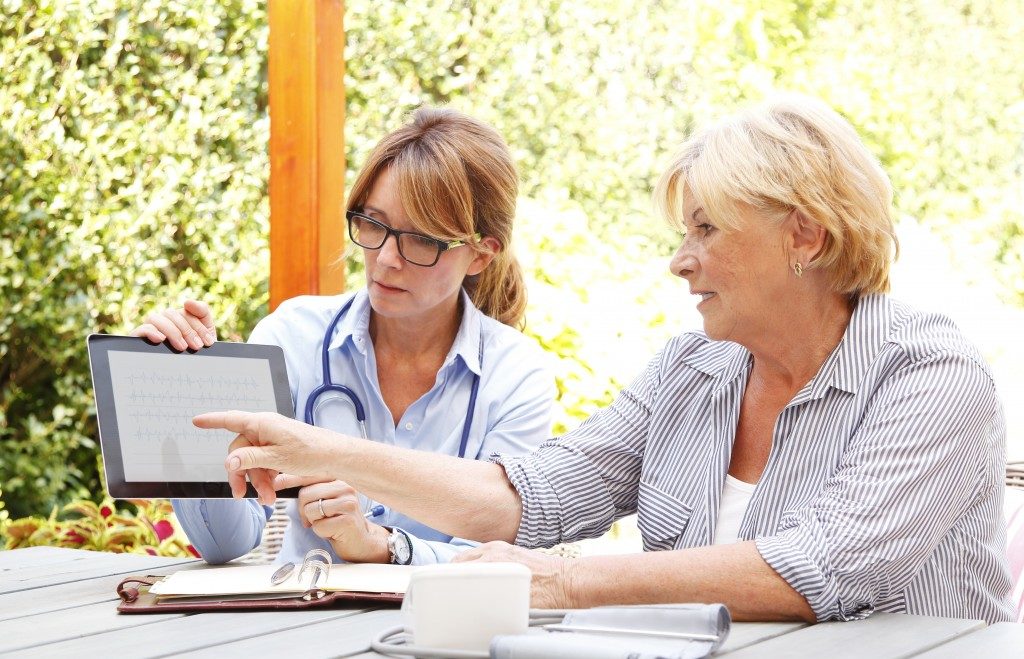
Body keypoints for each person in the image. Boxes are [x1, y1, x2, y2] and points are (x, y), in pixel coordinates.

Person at [193, 95, 1014, 623]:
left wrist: (567, 582)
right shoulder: (692, 370)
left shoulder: (931, 378)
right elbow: (534, 498)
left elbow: (819, 569)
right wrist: (319, 451)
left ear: (804, 236)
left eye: (706, 230)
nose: (680, 260)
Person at [132, 107, 555, 566]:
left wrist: (383, 545)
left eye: (420, 240)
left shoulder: (515, 376)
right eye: (373, 224)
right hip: (299, 629)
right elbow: (226, 544)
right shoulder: (293, 337)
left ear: (480, 254)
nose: (387, 258)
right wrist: (194, 397)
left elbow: (504, 556)